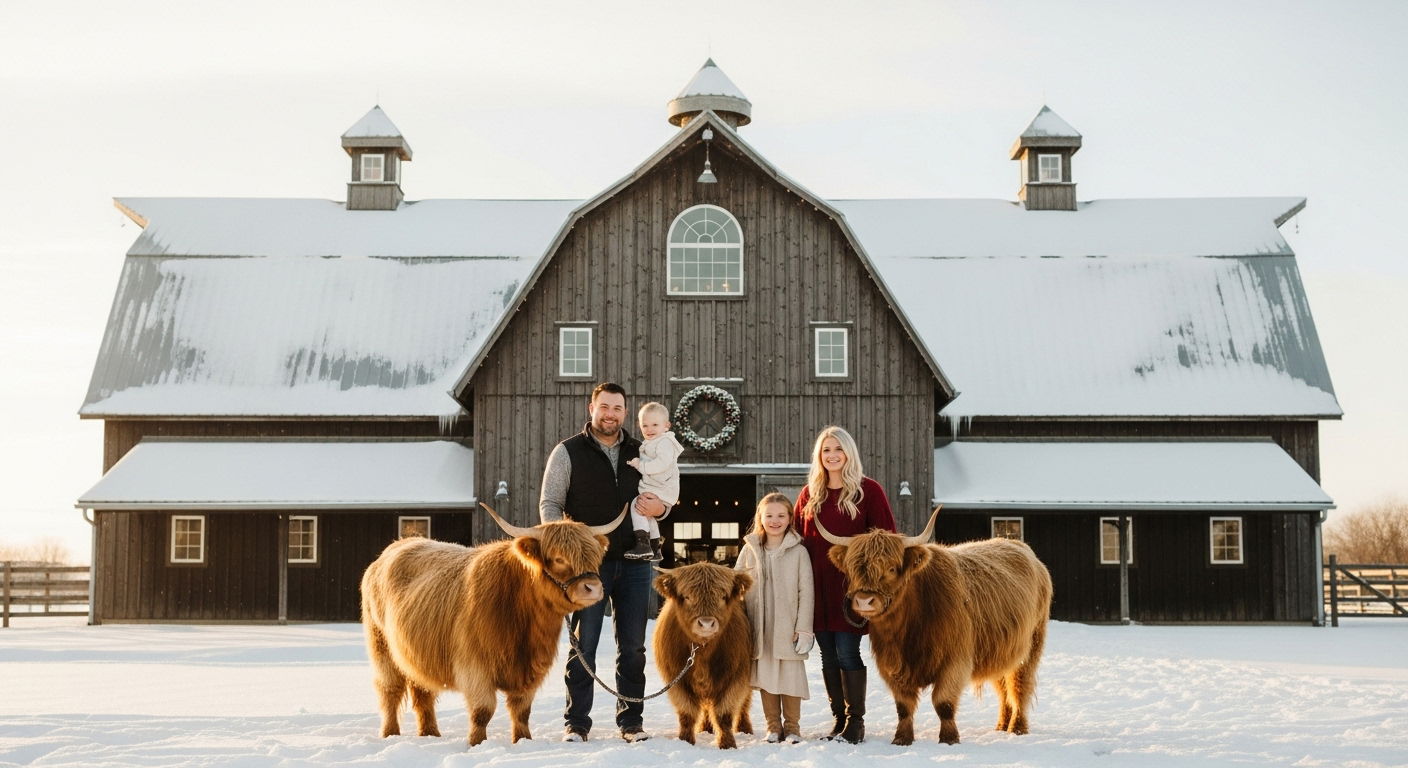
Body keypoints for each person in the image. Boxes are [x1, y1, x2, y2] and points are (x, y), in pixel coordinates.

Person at [540, 382, 668, 743]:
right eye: (605, 407)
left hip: (635, 561)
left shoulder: (642, 450)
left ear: (625, 412)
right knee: (585, 644)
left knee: (633, 647)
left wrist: (662, 508)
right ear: (591, 408)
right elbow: (550, 503)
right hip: (587, 567)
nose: (610, 414)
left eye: (617, 408)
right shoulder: (567, 452)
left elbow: (664, 491)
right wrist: (563, 542)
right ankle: (577, 722)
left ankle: (631, 722)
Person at [795, 425, 895, 744]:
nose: (832, 455)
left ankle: (855, 722)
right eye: (826, 450)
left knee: (847, 651)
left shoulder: (868, 491)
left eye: (838, 449)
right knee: (827, 654)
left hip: (853, 589)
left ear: (849, 453)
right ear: (819, 456)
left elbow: (886, 539)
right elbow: (795, 539)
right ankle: (838, 719)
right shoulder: (809, 494)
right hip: (817, 586)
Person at [734, 492, 815, 744]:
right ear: (760, 517)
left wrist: (804, 628)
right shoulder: (749, 551)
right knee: (767, 676)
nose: (775, 521)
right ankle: (773, 727)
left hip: (788, 628)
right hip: (759, 627)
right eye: (769, 515)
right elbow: (736, 587)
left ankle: (792, 728)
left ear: (790, 518)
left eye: (781, 515)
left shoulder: (799, 552)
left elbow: (806, 591)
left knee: (790, 677)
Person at [624, 402, 684, 562]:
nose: (649, 429)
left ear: (666, 426)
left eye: (655, 425)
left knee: (638, 506)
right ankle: (655, 546)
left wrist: (641, 466)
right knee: (647, 514)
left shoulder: (665, 442)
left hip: (661, 488)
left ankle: (643, 544)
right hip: (659, 487)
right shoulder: (654, 442)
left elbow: (661, 464)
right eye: (645, 425)